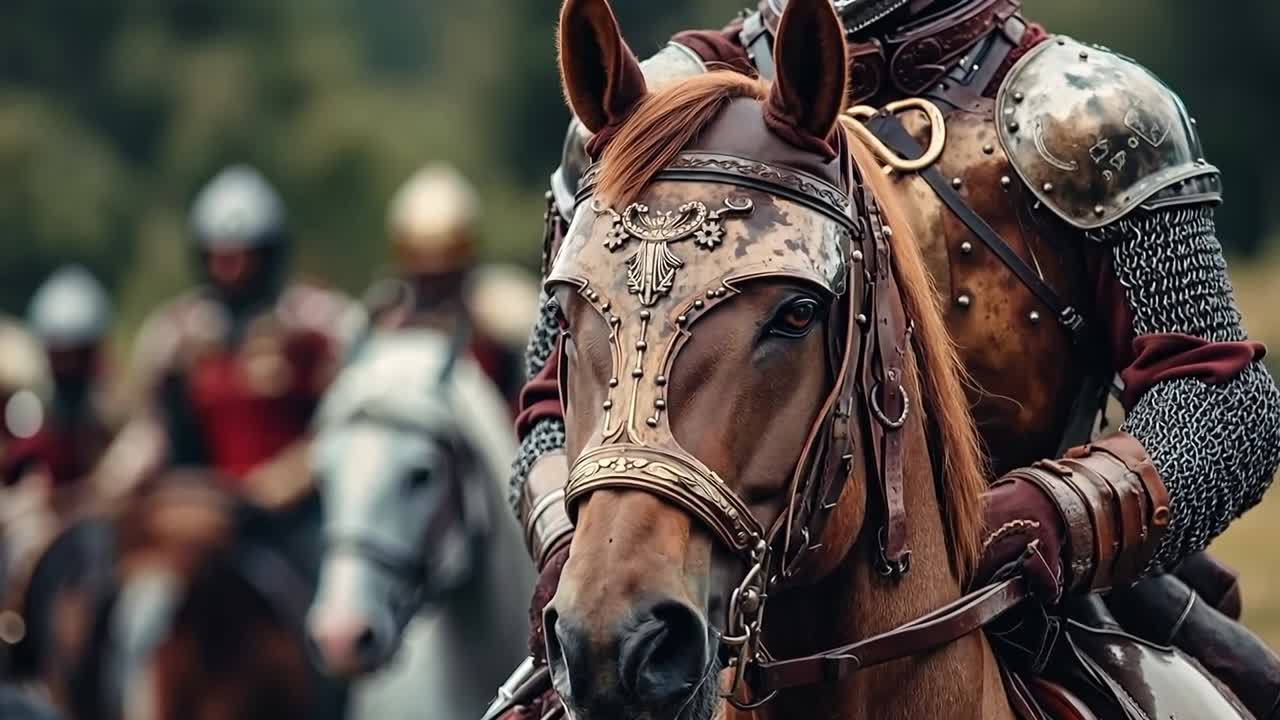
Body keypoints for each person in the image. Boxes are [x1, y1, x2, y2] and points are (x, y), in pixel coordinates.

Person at [499, 0, 1280, 716]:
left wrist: (1055, 516)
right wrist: (582, 549)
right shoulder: (653, 105)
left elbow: (1223, 403)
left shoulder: (1088, 116)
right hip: (670, 586)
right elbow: (549, 396)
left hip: (1038, 593)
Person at [94, 165, 358, 507]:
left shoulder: (321, 321)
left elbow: (348, 419)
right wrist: (112, 484)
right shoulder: (174, 333)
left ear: (269, 255)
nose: (228, 270)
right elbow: (151, 426)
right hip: (204, 508)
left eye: (241, 258)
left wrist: (297, 472)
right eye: (218, 257)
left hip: (301, 506)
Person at [365, 164, 533, 407]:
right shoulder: (382, 312)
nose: (433, 289)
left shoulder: (503, 314)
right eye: (424, 276)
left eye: (442, 276)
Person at [2, 266, 116, 489]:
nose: (68, 367)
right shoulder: (26, 411)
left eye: (77, 355)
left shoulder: (113, 412)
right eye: (60, 356)